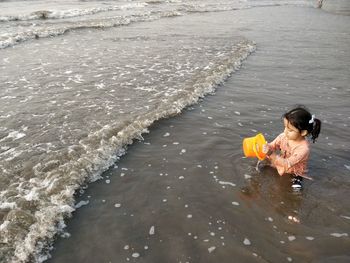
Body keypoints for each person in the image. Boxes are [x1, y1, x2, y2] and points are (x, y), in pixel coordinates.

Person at [263, 106, 321, 190]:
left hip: (294, 171)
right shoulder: (283, 136)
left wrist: (271, 154)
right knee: (260, 167)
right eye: (285, 127)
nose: (285, 131)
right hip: (282, 162)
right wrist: (266, 147)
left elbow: (287, 164)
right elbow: (272, 146)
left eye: (290, 130)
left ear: (303, 132)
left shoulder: (303, 149)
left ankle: (296, 194)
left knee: (295, 188)